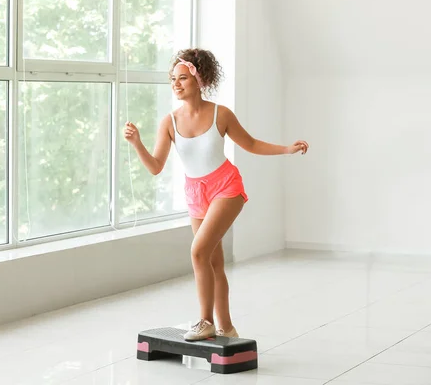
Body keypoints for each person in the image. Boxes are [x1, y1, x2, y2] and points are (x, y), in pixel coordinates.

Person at [124, 48, 309, 341]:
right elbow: (156, 167)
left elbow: (249, 143)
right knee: (213, 262)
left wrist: (286, 149)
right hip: (196, 193)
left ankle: (205, 321)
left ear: (200, 80)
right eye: (173, 79)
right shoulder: (169, 122)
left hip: (226, 188)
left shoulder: (220, 114)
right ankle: (227, 327)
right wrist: (137, 144)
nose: (176, 84)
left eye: (182, 78)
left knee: (198, 251)